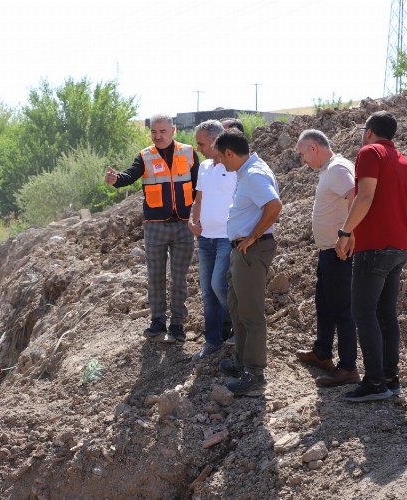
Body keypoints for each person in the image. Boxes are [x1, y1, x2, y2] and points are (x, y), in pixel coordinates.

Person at [335, 111, 407, 402]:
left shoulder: (370, 152)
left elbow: (366, 196)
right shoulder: (403, 161)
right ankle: (389, 377)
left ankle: (374, 383)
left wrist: (345, 232)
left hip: (375, 248)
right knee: (386, 313)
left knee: (363, 311)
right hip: (398, 249)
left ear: (369, 131)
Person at [105, 114, 200, 343]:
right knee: (155, 275)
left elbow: (199, 187)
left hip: (183, 225)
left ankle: (177, 324)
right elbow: (129, 176)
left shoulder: (188, 153)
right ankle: (157, 321)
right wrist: (115, 179)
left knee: (179, 277)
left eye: (162, 131)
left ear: (173, 130)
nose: (158, 136)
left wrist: (197, 217)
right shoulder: (145, 156)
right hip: (155, 226)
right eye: (154, 132)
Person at [214, 129, 281, 396]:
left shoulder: (254, 175)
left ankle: (254, 373)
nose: (219, 162)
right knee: (237, 305)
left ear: (230, 153)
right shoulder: (249, 171)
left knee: (251, 312)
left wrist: (253, 236)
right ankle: (243, 362)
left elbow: (274, 206)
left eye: (220, 157)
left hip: (252, 251)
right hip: (242, 250)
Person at [294, 129, 359, 387]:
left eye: (303, 155)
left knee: (342, 309)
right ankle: (322, 353)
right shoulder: (328, 169)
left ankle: (348, 368)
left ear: (314, 148)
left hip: (339, 252)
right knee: (324, 303)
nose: (303, 161)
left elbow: (356, 195)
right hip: (328, 251)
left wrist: (349, 234)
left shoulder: (338, 169)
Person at [188, 120, 237, 360]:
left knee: (219, 286)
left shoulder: (235, 166)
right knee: (207, 292)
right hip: (205, 239)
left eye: (201, 144)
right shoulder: (205, 167)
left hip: (226, 238)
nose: (198, 148)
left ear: (216, 140)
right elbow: (199, 199)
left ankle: (237, 327)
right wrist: (192, 220)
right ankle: (213, 341)